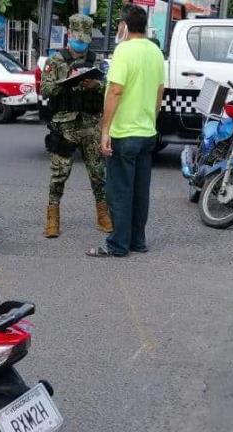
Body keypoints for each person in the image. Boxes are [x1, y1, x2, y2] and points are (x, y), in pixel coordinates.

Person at [86, 5, 164, 257]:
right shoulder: (155, 50)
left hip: (124, 132)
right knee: (141, 191)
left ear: (125, 26)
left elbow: (116, 90)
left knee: (119, 191)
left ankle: (118, 244)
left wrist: (105, 129)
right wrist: (150, 118)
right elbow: (159, 91)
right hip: (146, 131)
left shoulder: (123, 50)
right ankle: (137, 241)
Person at [40, 13, 112, 238]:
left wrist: (96, 85)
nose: (81, 44)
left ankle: (103, 215)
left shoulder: (96, 60)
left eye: (85, 39)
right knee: (59, 173)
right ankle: (53, 218)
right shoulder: (55, 61)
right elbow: (45, 90)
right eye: (77, 38)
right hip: (64, 126)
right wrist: (66, 82)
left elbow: (108, 88)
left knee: (98, 173)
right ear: (69, 35)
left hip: (90, 124)